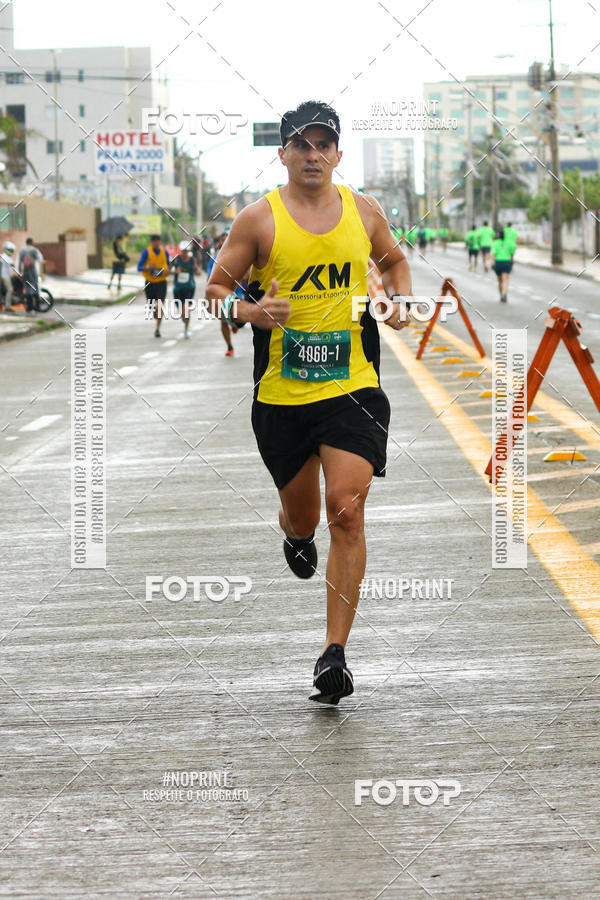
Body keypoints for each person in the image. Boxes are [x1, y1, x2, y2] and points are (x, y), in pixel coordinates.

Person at [206, 99, 412, 705]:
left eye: (324, 144)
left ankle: (334, 654)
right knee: (305, 517)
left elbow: (395, 261)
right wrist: (248, 311)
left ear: (338, 154)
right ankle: (296, 535)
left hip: (353, 386)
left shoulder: (364, 211)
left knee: (345, 509)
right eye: (302, 144)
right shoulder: (257, 220)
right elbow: (213, 291)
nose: (313, 155)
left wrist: (400, 302)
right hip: (282, 397)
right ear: (283, 154)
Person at [137, 234, 170, 338]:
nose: (156, 242)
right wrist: (148, 267)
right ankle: (154, 311)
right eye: (154, 241)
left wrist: (168, 270)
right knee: (151, 305)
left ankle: (157, 329)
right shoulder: (146, 253)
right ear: (151, 242)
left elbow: (169, 265)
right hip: (149, 283)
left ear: (160, 241)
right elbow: (139, 267)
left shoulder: (165, 252)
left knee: (160, 305)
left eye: (158, 240)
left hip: (161, 282)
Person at [171, 240, 200, 338]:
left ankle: (186, 330)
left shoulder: (192, 260)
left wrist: (197, 271)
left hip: (189, 288)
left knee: (186, 309)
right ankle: (183, 315)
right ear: (180, 251)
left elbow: (197, 271)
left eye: (186, 251)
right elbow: (167, 271)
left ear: (188, 251)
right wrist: (175, 272)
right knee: (182, 310)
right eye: (183, 251)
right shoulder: (176, 259)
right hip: (178, 289)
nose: (184, 253)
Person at [17, 238, 44, 314]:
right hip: (33, 272)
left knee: (27, 289)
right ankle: (37, 307)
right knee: (35, 288)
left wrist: (19, 272)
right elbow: (40, 260)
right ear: (32, 242)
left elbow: (19, 263)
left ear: (26, 243)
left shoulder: (22, 251)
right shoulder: (35, 250)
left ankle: (29, 307)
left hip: (25, 272)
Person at [491, 227, 513, 302]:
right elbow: (511, 253)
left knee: (500, 281)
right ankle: (505, 294)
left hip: (498, 263)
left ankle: (501, 295)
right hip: (506, 262)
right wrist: (511, 261)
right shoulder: (508, 243)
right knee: (505, 280)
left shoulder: (495, 243)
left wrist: (492, 263)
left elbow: (493, 254)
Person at [1, 241, 16, 313]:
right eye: (11, 250)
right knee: (10, 289)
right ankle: (7, 307)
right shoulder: (5, 257)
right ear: (7, 250)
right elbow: (12, 265)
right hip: (5, 276)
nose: (12, 252)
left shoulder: (5, 256)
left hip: (5, 275)